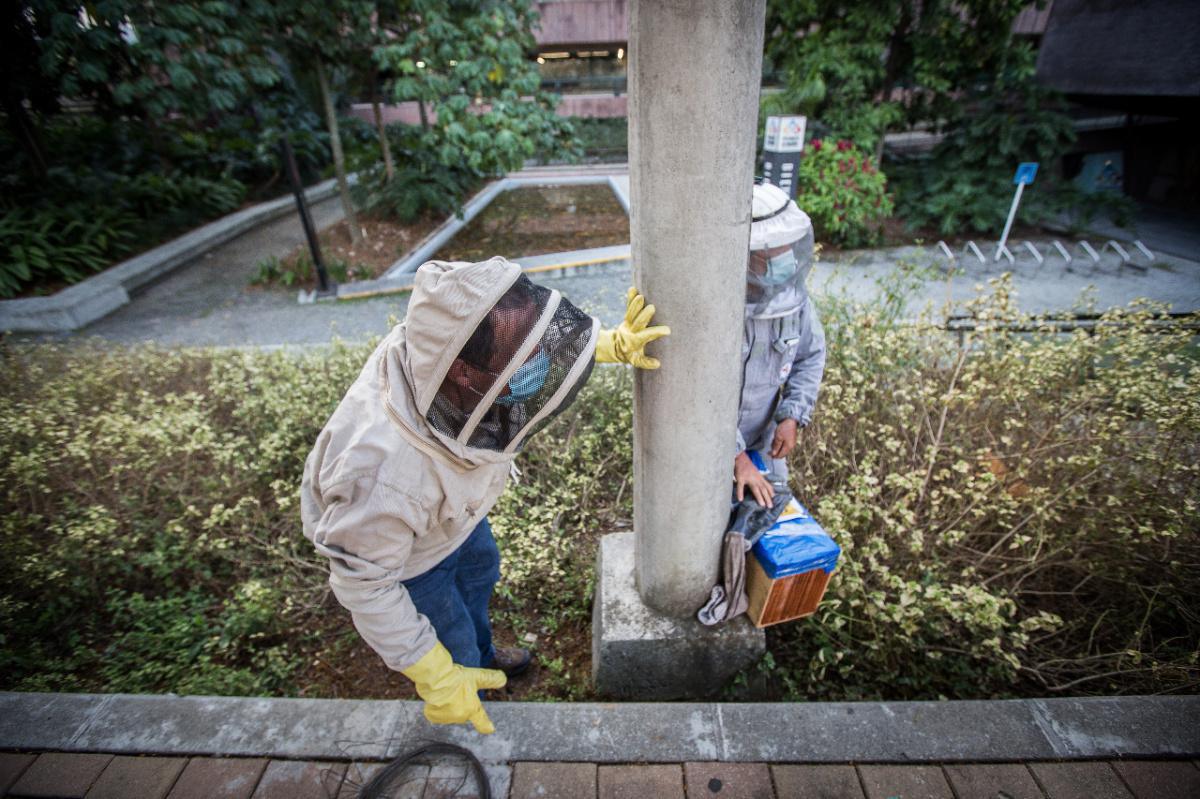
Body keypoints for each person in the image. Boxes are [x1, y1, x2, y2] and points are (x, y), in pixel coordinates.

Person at [300, 256, 667, 735]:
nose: (537, 363)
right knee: (448, 632)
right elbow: (364, 585)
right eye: (522, 358)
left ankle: (485, 651)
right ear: (464, 375)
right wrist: (431, 673)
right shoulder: (381, 476)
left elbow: (512, 343)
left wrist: (606, 345)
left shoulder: (435, 346)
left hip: (456, 520)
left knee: (479, 573)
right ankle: (466, 685)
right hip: (409, 562)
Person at [733, 182, 826, 507]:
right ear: (743, 256)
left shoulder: (793, 301)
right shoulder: (716, 313)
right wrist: (734, 456)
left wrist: (792, 417)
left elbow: (810, 357)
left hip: (763, 443)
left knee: (773, 516)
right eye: (770, 250)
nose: (783, 257)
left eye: (786, 246)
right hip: (710, 451)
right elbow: (698, 394)